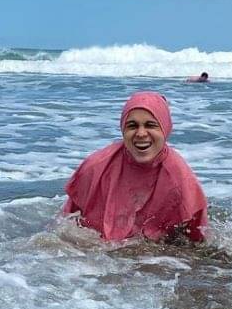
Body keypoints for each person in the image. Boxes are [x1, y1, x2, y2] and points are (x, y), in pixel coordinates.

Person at [62, 91, 208, 242]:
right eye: (132, 126)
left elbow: (198, 242)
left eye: (150, 125)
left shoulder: (181, 181)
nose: (141, 133)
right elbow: (65, 226)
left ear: (165, 129)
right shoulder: (95, 168)